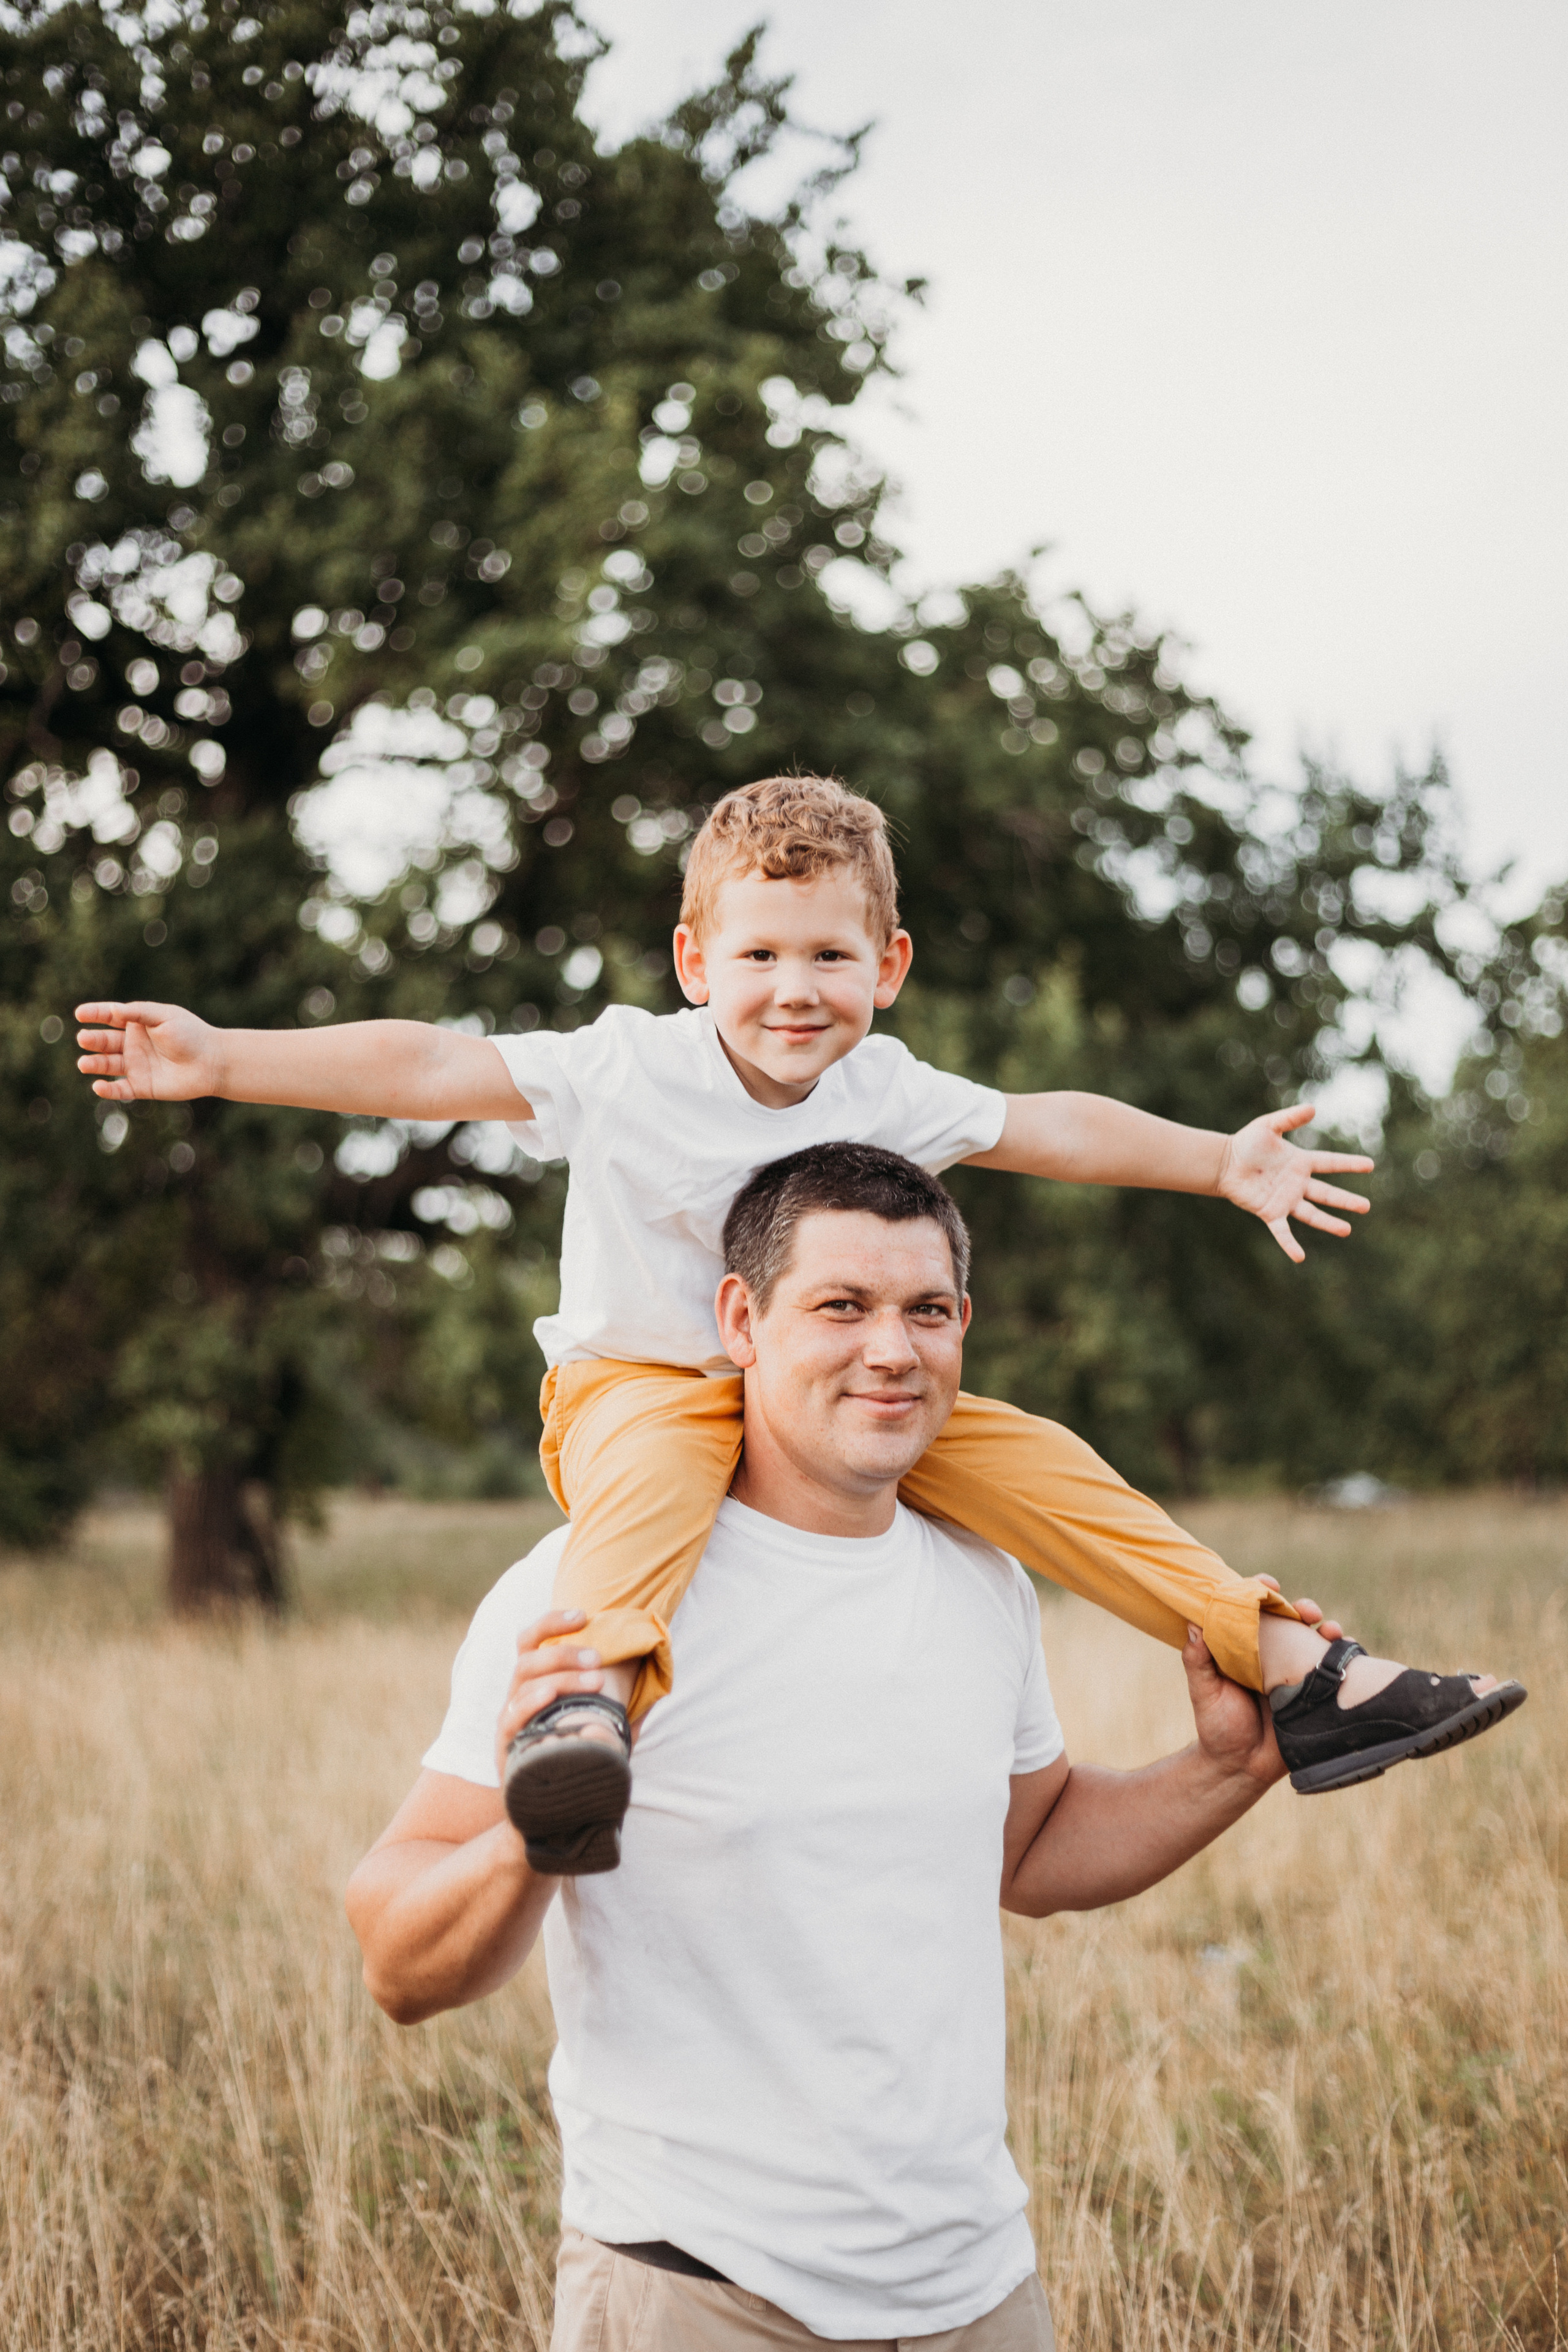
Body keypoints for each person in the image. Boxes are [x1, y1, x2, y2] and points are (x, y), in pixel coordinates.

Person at [74, 776, 1523, 1876]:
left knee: (1029, 1455)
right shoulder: (626, 1067)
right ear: (695, 958)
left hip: (826, 1389)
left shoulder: (886, 1087)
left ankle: (1290, 1667)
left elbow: (1047, 1126)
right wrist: (224, 1060)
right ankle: (582, 1713)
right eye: (759, 957)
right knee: (647, 1484)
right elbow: (428, 1061)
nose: (792, 991)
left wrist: (1215, 1157)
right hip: (640, 1382)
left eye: (827, 959)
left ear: (883, 966)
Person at [349, 1145, 1366, 2348]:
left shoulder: (981, 1579)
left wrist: (1225, 1770)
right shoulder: (585, 1597)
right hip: (695, 2288)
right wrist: (535, 1837)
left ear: (961, 1328)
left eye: (923, 1311)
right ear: (741, 1318)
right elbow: (400, 1964)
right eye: (840, 1306)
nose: (890, 1350)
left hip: (975, 2287)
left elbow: (1028, 1851)